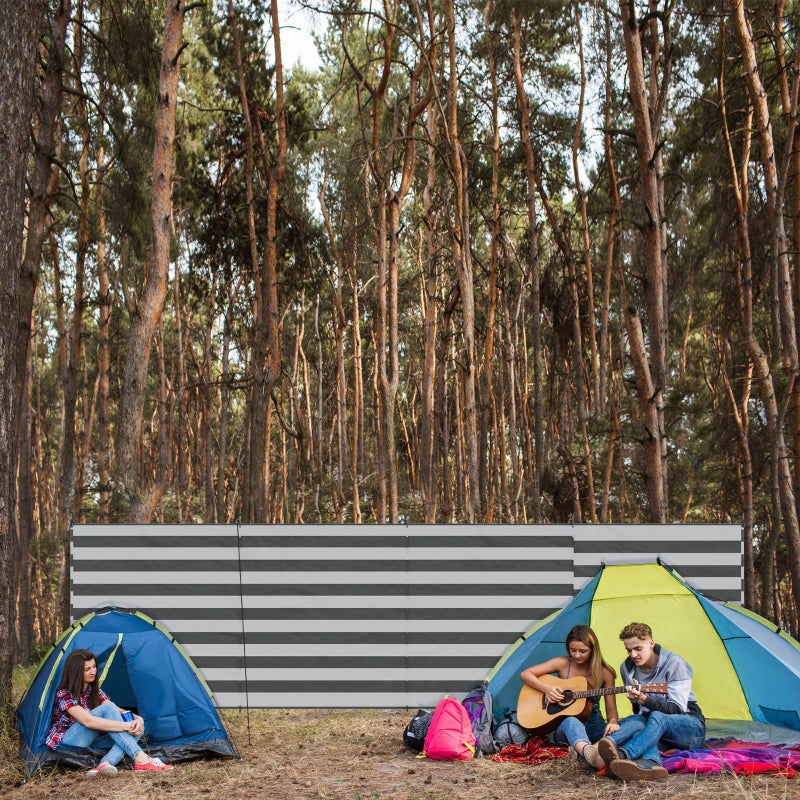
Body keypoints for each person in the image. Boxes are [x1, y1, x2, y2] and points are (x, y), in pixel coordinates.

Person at [595, 622, 706, 781]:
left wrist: (644, 699)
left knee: (656, 716)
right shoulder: (626, 668)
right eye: (628, 650)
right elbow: (640, 712)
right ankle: (651, 764)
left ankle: (623, 754)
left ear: (651, 644)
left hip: (690, 728)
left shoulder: (675, 663)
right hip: (659, 732)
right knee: (638, 722)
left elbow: (676, 710)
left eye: (638, 648)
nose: (633, 655)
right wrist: (636, 701)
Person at [46, 648, 174, 776]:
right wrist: (125, 726)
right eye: (87, 669)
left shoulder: (93, 690)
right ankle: (141, 758)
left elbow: (117, 710)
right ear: (76, 672)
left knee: (137, 729)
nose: (93, 672)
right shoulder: (64, 692)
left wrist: (137, 719)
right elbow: (88, 721)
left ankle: (105, 764)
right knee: (112, 712)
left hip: (91, 742)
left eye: (94, 667)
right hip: (68, 743)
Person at [519, 624, 620, 769]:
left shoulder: (605, 673)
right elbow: (526, 674)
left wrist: (613, 721)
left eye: (583, 651)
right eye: (573, 650)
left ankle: (583, 751)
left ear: (593, 650)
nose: (577, 655)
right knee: (571, 721)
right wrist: (547, 689)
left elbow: (611, 708)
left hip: (594, 726)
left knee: (630, 726)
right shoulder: (563, 663)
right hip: (566, 730)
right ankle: (588, 752)